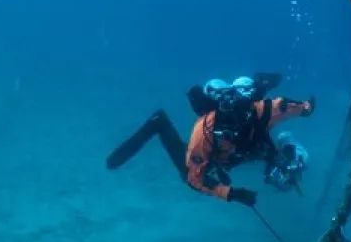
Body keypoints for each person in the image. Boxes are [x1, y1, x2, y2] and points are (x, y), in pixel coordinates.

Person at [106, 73, 315, 206]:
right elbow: (195, 180)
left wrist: (306, 108)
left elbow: (292, 106)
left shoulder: (265, 109)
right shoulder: (204, 133)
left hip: (246, 150)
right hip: (216, 158)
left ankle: (282, 153)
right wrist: (232, 194)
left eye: (244, 110)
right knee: (186, 172)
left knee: (284, 164)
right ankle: (159, 123)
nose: (238, 121)